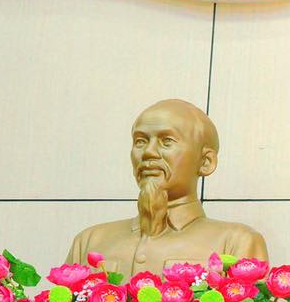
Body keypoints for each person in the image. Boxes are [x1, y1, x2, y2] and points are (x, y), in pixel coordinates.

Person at [65, 99, 267, 276]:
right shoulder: (90, 241)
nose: (149, 152)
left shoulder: (236, 242)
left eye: (167, 141)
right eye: (140, 141)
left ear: (205, 162)